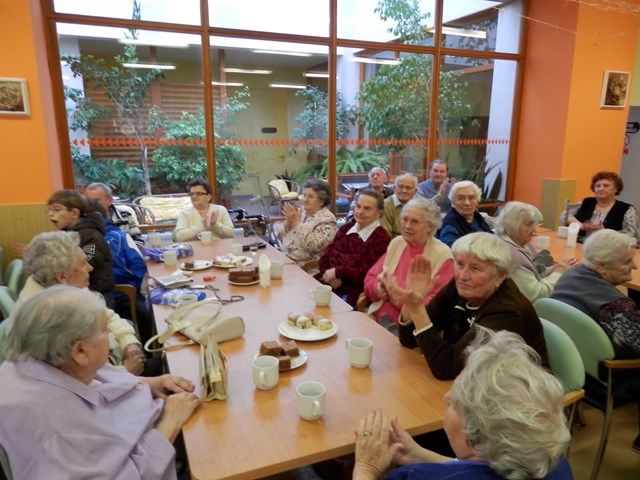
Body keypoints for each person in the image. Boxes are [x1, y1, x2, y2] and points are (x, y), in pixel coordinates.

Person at [0, 285, 201, 479]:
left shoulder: (40, 359)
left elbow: (94, 380)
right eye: (105, 330)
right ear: (80, 351)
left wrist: (147, 383)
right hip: (155, 452)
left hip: (136, 420)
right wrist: (171, 421)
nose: (110, 335)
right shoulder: (58, 434)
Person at [353, 328, 572, 480]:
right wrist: (418, 455)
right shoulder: (556, 466)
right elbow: (479, 470)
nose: (447, 397)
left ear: (477, 437)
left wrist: (366, 469)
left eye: (456, 401)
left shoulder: (422, 477)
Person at [388, 232, 548, 380]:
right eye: (460, 264)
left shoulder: (506, 311)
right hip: (476, 381)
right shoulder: (460, 286)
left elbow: (446, 368)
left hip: (521, 390)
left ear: (500, 276)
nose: (463, 275)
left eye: (475, 268)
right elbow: (409, 339)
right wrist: (410, 301)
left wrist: (417, 309)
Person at [1, 231, 150, 376]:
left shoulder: (64, 289)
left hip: (113, 369)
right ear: (62, 277)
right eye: (83, 263)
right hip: (104, 384)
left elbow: (107, 315)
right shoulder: (47, 321)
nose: (90, 268)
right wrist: (126, 373)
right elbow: (78, 382)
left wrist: (129, 343)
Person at [551, 229, 640, 451]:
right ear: (600, 265)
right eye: (626, 261)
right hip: (607, 380)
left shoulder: (569, 275)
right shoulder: (615, 306)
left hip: (571, 365)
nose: (634, 266)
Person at [364, 198, 453, 326]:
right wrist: (378, 289)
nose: (407, 226)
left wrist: (400, 299)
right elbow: (371, 277)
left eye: (415, 221)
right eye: (405, 219)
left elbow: (439, 302)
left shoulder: (442, 255)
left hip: (412, 325)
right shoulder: (397, 243)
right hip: (378, 315)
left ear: (430, 226)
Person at [86, 198, 155, 344]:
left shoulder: (118, 236)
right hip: (92, 298)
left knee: (146, 313)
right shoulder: (77, 239)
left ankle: (150, 352)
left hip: (123, 293)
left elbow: (137, 263)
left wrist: (133, 287)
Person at [495, 201, 579, 302]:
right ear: (512, 225)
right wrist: (558, 273)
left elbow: (531, 273)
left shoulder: (512, 242)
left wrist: (557, 268)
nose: (534, 231)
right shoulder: (512, 256)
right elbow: (537, 295)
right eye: (529, 225)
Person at [319, 190, 391, 307]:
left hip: (353, 294)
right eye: (358, 206)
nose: (360, 211)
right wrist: (329, 274)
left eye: (367, 208)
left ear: (379, 213)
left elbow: (368, 273)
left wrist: (338, 272)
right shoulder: (346, 228)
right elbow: (326, 255)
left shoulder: (381, 239)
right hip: (328, 284)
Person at [47, 189, 115, 308]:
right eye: (48, 210)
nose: (50, 214)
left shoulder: (91, 235)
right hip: (78, 293)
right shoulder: (67, 234)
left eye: (57, 209)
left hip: (97, 296)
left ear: (74, 213)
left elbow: (88, 263)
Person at [276, 179, 338, 264]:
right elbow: (279, 236)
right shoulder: (301, 212)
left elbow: (314, 246)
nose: (305, 199)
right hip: (286, 258)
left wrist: (297, 223)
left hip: (305, 266)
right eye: (304, 195)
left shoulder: (328, 219)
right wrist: (288, 225)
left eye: (310, 197)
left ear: (322, 202)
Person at [562, 171, 638, 238]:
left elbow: (630, 235)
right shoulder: (587, 201)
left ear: (616, 189)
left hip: (610, 247)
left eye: (606, 186)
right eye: (598, 186)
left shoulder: (627, 209)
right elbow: (565, 215)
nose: (601, 189)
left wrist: (605, 231)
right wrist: (581, 226)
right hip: (580, 243)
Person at [84, 182, 145, 250]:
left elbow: (139, 240)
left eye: (97, 200)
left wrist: (125, 253)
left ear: (109, 200)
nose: (92, 204)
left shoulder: (124, 215)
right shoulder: (83, 219)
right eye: (88, 200)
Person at [438, 181, 492, 247]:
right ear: (452, 202)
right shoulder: (449, 226)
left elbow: (491, 238)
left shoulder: (477, 217)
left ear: (477, 200)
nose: (467, 203)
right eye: (460, 198)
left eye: (471, 198)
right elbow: (454, 250)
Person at [381, 173, 418, 238]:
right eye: (401, 187)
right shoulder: (385, 206)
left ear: (415, 191)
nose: (404, 190)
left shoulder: (418, 206)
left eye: (408, 188)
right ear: (394, 188)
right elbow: (385, 236)